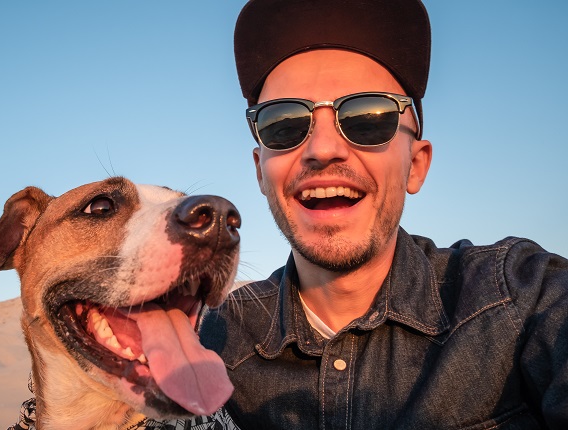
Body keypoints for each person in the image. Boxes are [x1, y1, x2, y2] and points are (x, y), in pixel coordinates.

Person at [187, 0, 568, 429]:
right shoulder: (208, 342)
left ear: (416, 164)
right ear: (260, 170)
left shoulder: (522, 297)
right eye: (285, 123)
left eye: (369, 118)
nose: (322, 150)